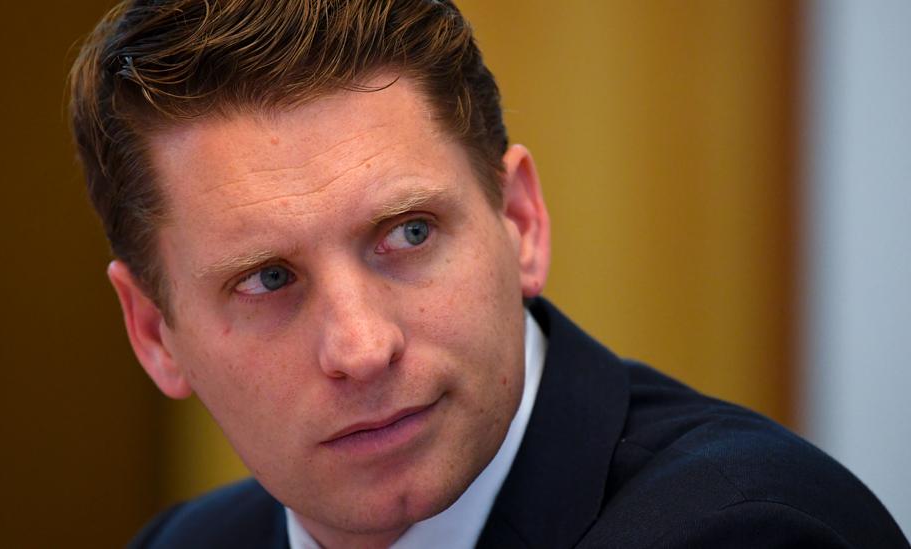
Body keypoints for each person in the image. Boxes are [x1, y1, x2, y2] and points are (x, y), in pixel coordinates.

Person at [69, 1, 908, 547]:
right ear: (153, 333)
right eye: (267, 279)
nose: (361, 347)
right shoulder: (185, 544)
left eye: (408, 231)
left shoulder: (750, 532)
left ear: (521, 222)